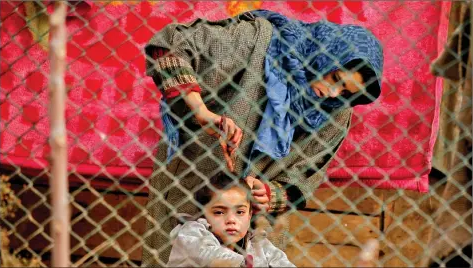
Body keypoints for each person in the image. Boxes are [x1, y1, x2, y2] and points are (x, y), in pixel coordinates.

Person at [142, 9, 383, 266]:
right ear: (324, 54)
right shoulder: (256, 41)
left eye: (346, 91)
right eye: (335, 78)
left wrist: (271, 195)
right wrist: (201, 111)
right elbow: (169, 46)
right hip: (190, 194)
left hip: (256, 237)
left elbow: (305, 177)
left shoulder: (336, 113)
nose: (333, 93)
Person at [166, 172, 296, 267]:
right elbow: (207, 255)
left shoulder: (257, 242)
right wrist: (243, 263)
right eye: (219, 212)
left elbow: (281, 262)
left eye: (240, 212)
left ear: (250, 215)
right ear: (204, 214)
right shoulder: (192, 233)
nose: (231, 220)